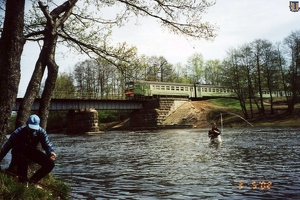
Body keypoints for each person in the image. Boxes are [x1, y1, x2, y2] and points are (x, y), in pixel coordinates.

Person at [0, 114, 57, 185]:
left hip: (31, 152)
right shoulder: (18, 132)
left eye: (34, 128)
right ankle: (23, 182)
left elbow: (47, 145)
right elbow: (6, 147)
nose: (33, 130)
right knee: (22, 158)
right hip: (18, 152)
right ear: (27, 124)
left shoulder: (41, 132)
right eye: (31, 128)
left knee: (50, 164)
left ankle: (32, 182)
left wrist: (51, 152)